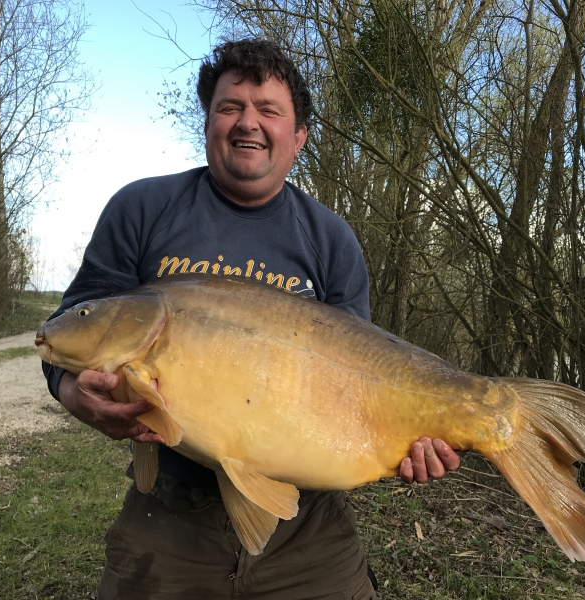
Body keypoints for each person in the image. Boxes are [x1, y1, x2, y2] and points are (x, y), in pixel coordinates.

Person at [42, 38, 460, 599]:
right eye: (230, 107)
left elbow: (359, 387)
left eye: (269, 110)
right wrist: (73, 392)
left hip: (310, 529)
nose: (248, 124)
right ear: (209, 121)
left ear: (299, 137)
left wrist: (420, 434)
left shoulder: (331, 239)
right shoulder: (142, 208)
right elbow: (72, 327)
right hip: (168, 517)